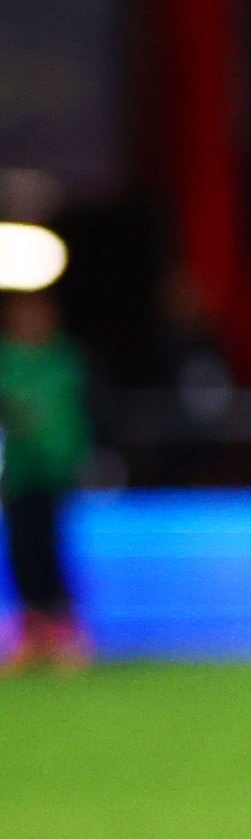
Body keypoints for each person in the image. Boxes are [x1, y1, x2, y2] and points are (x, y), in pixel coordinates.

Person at [1, 286, 89, 670]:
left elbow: (78, 416)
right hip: (17, 474)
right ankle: (34, 635)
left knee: (52, 550)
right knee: (23, 552)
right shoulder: (6, 360)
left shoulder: (63, 359)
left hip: (54, 473)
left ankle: (65, 634)